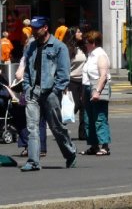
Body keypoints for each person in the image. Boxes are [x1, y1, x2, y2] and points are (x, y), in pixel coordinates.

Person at [20, 16, 77, 171]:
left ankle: (70, 153)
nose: (33, 30)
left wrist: (56, 91)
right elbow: (27, 71)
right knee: (32, 127)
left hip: (50, 92)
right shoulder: (30, 47)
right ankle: (33, 161)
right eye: (32, 27)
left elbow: (64, 74)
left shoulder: (59, 47)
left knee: (56, 127)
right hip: (33, 91)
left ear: (45, 28)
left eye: (37, 28)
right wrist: (26, 87)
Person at [81, 30, 111, 156]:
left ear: (93, 43)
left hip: (97, 87)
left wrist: (97, 91)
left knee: (99, 117)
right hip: (88, 87)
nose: (85, 45)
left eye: (87, 42)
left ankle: (104, 146)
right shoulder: (91, 55)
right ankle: (94, 145)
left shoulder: (101, 55)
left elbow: (103, 75)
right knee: (88, 118)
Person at [63, 27, 87, 140]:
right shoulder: (67, 49)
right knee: (75, 105)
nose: (81, 33)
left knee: (84, 106)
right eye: (78, 32)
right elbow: (64, 67)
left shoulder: (84, 47)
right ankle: (61, 124)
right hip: (71, 80)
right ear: (73, 34)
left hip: (83, 80)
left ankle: (83, 133)